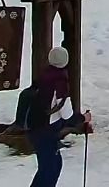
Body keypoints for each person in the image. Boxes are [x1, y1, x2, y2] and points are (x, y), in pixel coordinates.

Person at [27, 47, 93, 187]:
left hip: (36, 128)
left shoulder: (44, 75)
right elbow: (66, 114)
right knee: (50, 169)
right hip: (45, 131)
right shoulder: (59, 80)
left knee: (51, 166)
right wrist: (83, 118)